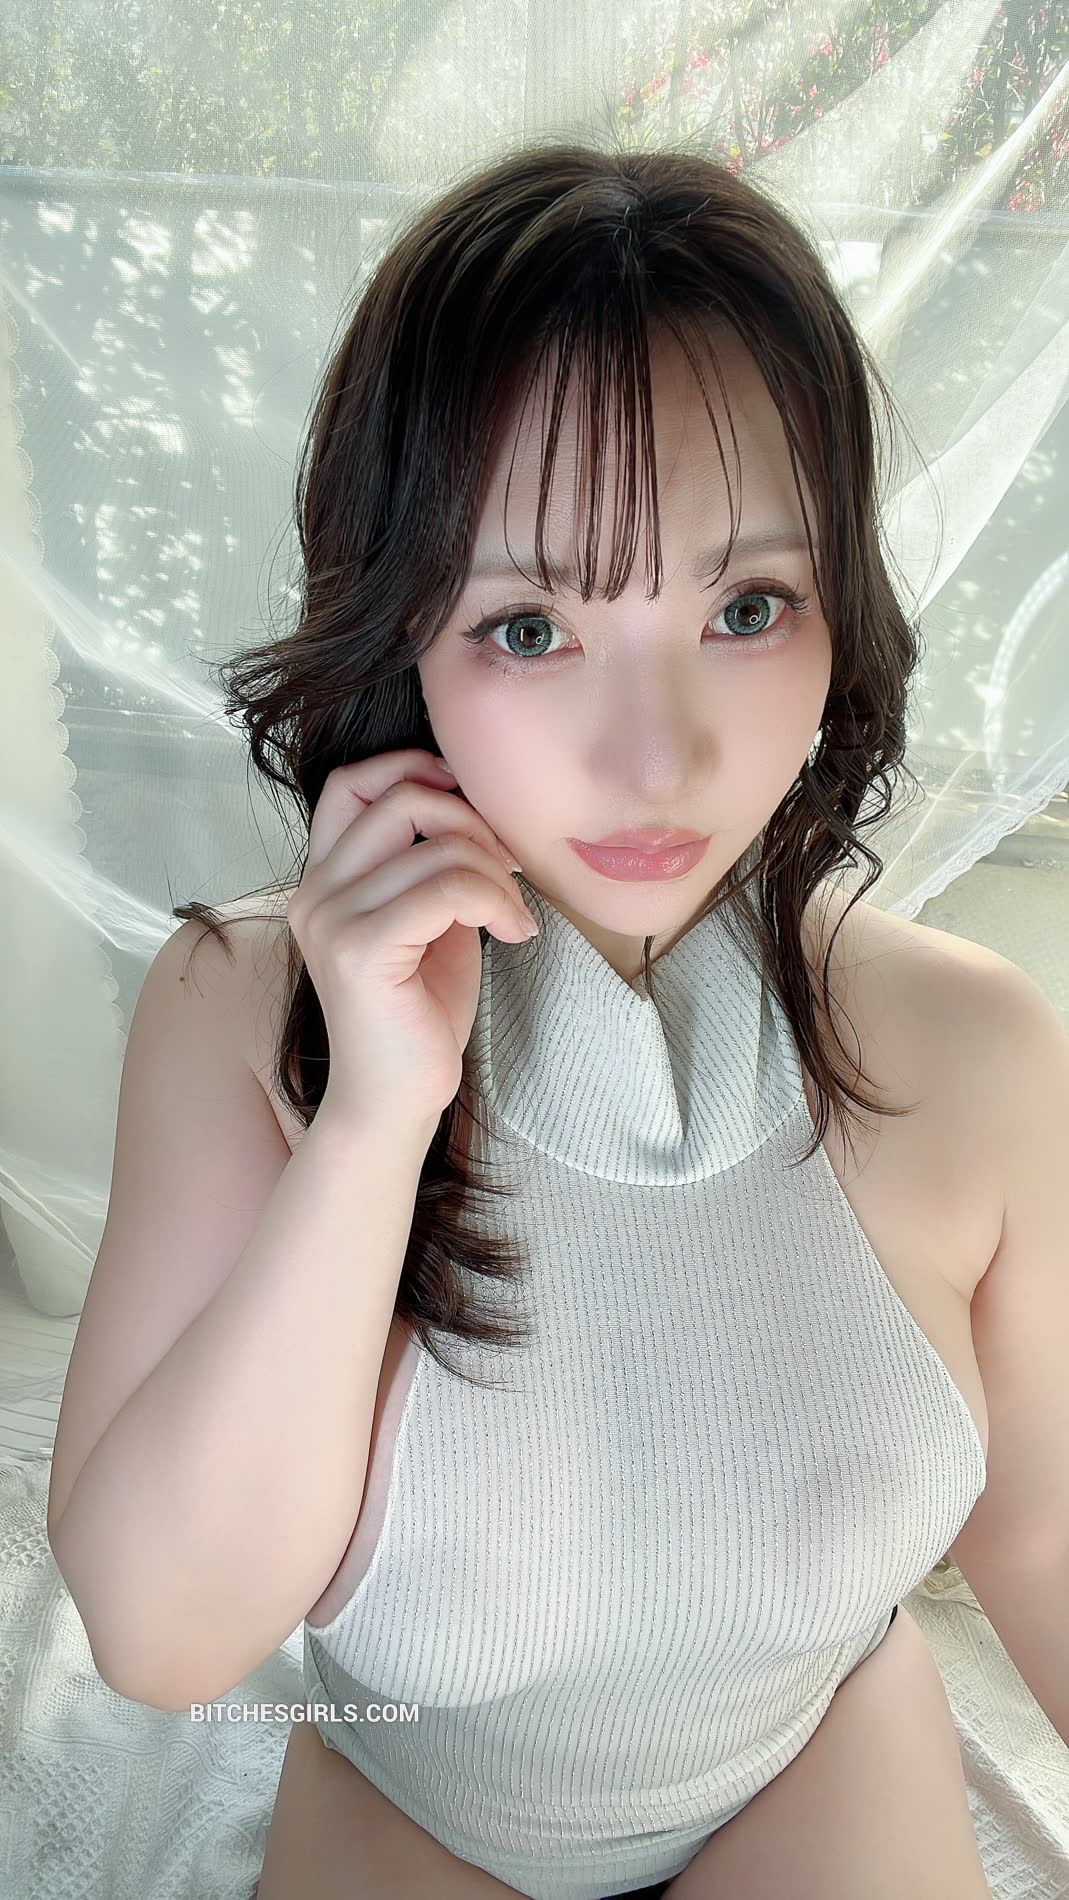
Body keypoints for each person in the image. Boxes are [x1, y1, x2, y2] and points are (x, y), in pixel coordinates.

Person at [48, 139, 994, 1899]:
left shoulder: (971, 1047)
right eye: (532, 626)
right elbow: (163, 1640)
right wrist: (372, 1121)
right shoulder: (244, 1007)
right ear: (400, 625)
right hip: (419, 1803)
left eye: (744, 607)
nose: (655, 759)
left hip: (812, 1756)